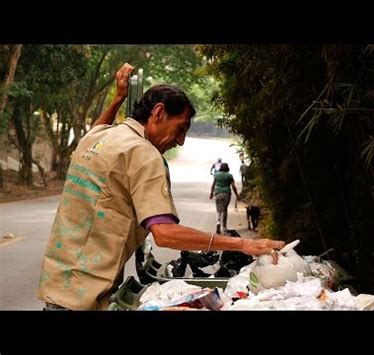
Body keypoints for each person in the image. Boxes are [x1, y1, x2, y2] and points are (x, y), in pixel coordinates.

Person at [37, 63, 285, 310]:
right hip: (86, 297)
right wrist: (244, 245)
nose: (180, 140)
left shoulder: (97, 138)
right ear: (158, 112)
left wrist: (118, 98)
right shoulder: (144, 154)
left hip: (58, 287)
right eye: (181, 128)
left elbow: (97, 128)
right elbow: (164, 233)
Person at [210, 163, 239, 234]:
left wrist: (211, 193)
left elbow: (213, 185)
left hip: (218, 193)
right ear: (227, 168)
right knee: (224, 210)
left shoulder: (216, 175)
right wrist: (237, 195)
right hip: (226, 194)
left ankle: (218, 222)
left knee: (218, 210)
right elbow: (233, 186)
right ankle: (224, 227)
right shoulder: (229, 175)